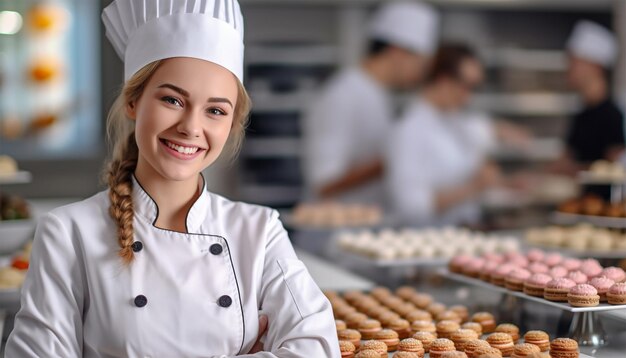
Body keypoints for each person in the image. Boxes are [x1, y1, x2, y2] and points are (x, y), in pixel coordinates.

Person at [6, 1, 339, 356]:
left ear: (230, 124)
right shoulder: (69, 232)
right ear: (133, 102)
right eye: (172, 100)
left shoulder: (258, 230)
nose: (191, 128)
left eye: (215, 110)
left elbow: (316, 345)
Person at [301, 1, 439, 204]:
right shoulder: (341, 95)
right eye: (421, 63)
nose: (421, 73)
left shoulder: (379, 95)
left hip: (367, 226)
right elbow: (324, 184)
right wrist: (396, 160)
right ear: (397, 52)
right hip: (334, 232)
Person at [386, 44, 526, 227]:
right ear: (443, 80)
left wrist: (505, 183)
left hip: (467, 228)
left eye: (475, 88)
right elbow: (411, 206)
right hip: (431, 238)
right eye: (467, 86)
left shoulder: (456, 120)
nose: (468, 96)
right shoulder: (408, 130)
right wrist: (474, 187)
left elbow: (483, 136)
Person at [559, 20, 625, 173]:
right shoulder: (582, 114)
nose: (569, 68)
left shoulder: (613, 115)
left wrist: (572, 171)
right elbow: (566, 159)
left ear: (595, 66)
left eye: (575, 62)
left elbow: (614, 168)